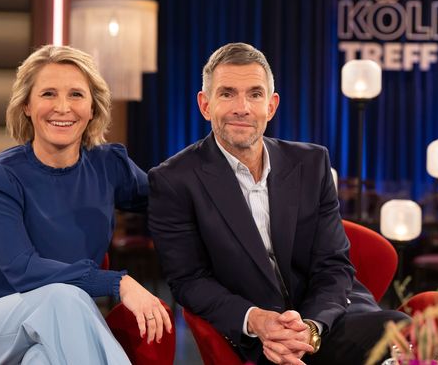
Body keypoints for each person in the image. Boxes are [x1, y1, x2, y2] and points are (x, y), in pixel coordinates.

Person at [148, 42, 407, 365]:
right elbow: (189, 281)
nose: (242, 107)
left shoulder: (312, 163)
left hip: (329, 320)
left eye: (255, 94)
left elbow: (333, 264)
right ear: (205, 105)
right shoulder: (173, 180)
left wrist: (310, 328)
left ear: (271, 106)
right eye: (227, 93)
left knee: (401, 332)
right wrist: (257, 320)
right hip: (256, 332)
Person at [0, 45, 172, 365]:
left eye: (76, 94)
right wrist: (119, 282)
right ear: (26, 105)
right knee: (62, 295)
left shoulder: (108, 165)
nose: (63, 107)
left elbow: (171, 201)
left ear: (92, 107)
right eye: (48, 94)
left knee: (43, 358)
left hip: (59, 326)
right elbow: (23, 269)